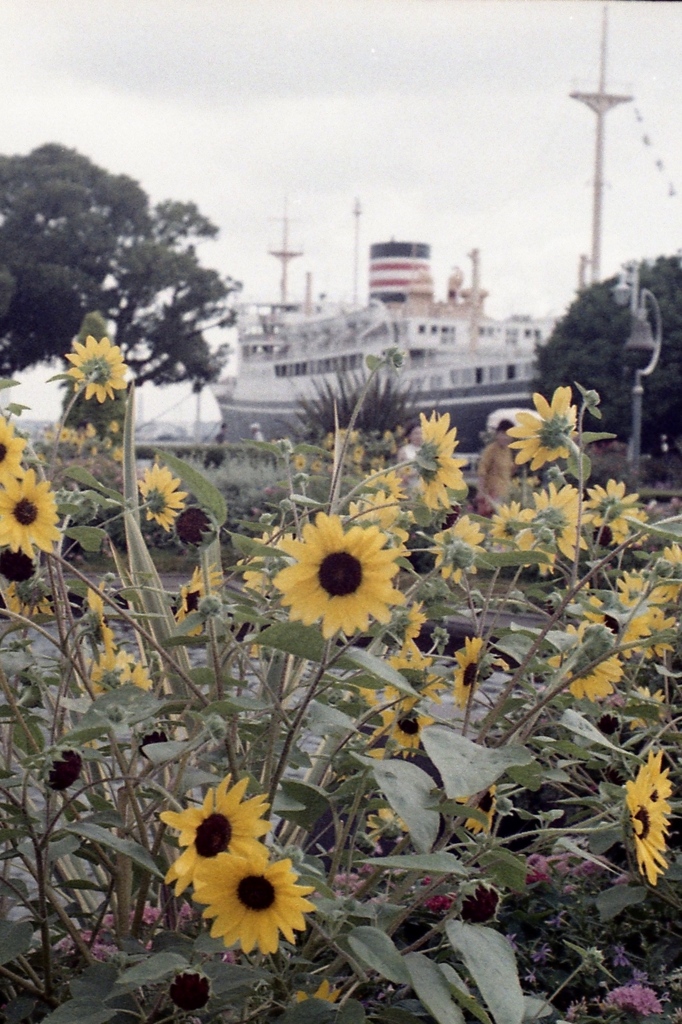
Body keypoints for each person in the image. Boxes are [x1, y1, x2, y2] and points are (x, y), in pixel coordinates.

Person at [476, 419, 514, 516]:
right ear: (497, 434)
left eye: (509, 434)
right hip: (491, 494)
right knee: (494, 523)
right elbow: (482, 470)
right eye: (503, 434)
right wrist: (480, 492)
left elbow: (509, 469)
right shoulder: (491, 450)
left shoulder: (507, 451)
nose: (506, 437)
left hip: (504, 493)